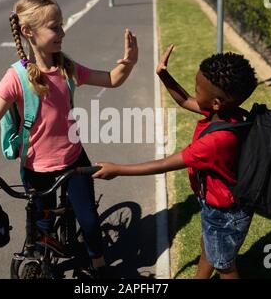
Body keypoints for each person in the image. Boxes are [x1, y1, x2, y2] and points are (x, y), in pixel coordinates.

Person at [0, 0, 138, 277]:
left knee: (89, 222)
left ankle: (98, 263)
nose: (62, 32)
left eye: (61, 25)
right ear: (28, 31)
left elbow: (112, 79)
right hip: (36, 168)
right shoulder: (16, 78)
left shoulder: (67, 69)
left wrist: (128, 63)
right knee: (41, 228)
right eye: (55, 27)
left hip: (74, 161)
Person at [93, 45, 258, 279]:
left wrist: (117, 169)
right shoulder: (225, 114)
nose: (194, 93)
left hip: (225, 212)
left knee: (225, 266)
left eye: (198, 89)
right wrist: (164, 74)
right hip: (215, 204)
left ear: (217, 102)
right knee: (209, 245)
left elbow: (165, 164)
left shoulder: (216, 141)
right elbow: (185, 101)